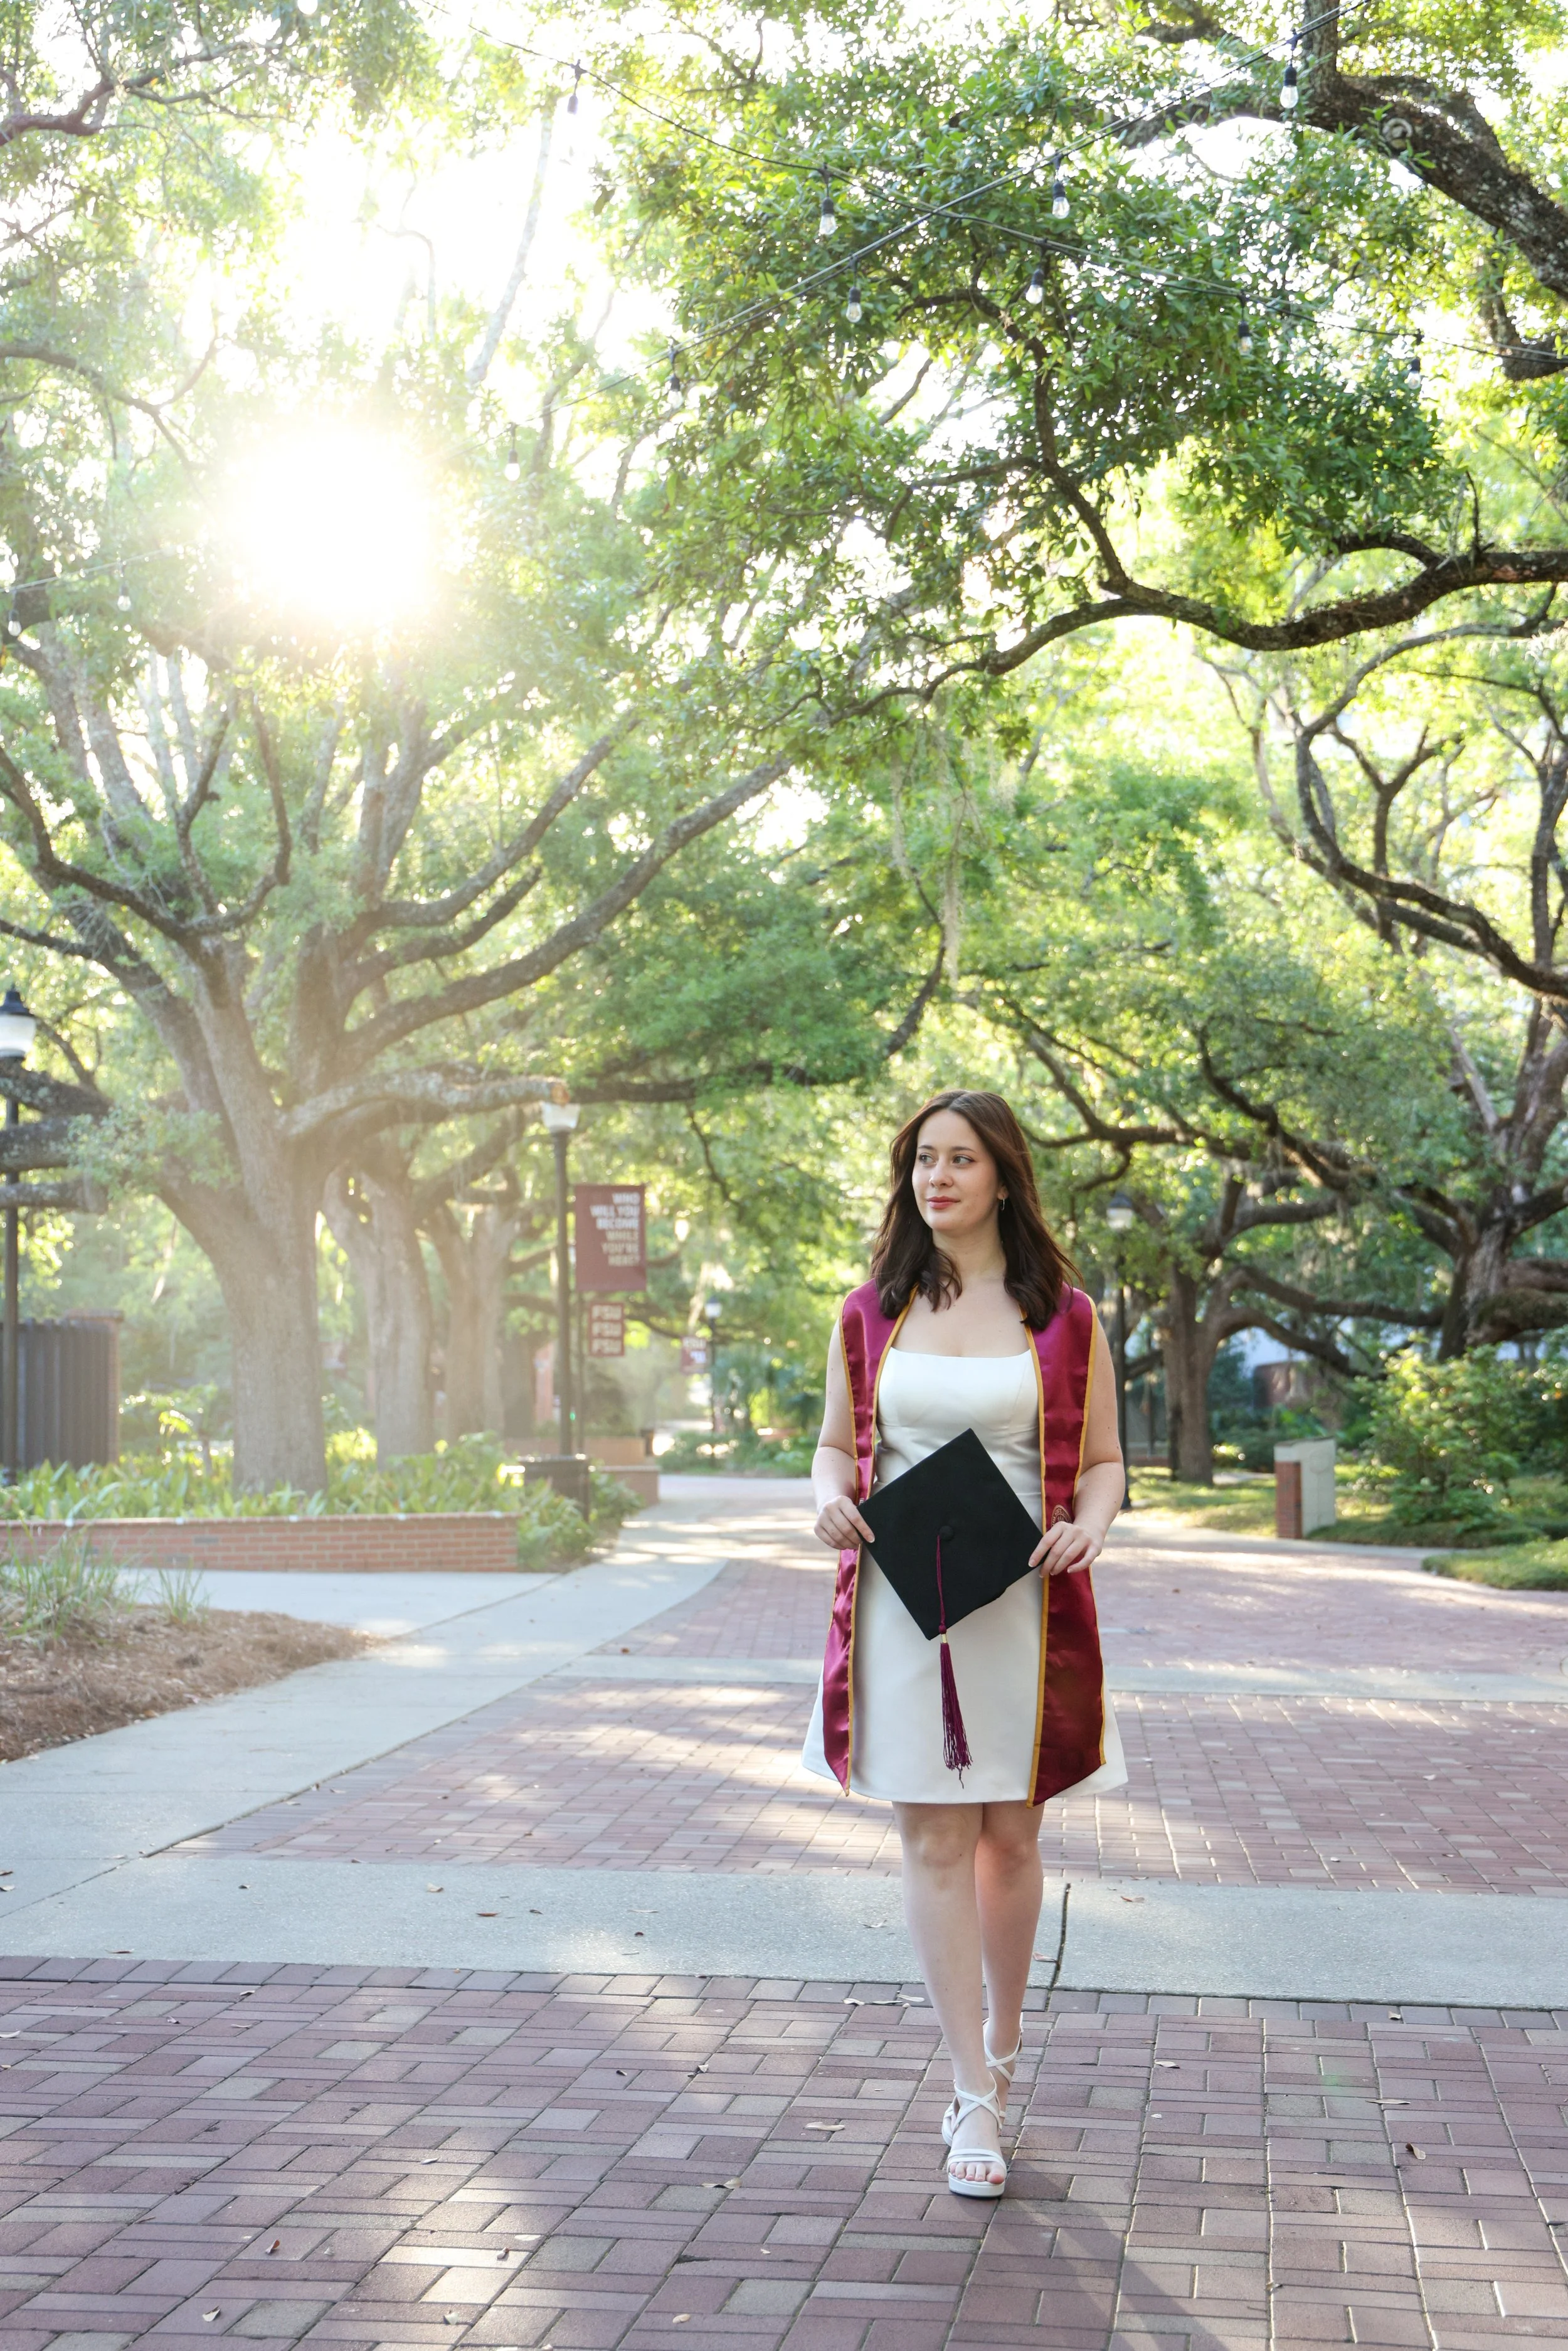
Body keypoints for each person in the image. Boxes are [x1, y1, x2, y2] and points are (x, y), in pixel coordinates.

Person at [801, 1088, 1126, 2199]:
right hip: (904, 1602)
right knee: (936, 1840)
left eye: (961, 1160)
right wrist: (830, 1500)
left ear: (1002, 1177)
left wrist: (1091, 1525)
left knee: (1012, 1839)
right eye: (924, 1161)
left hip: (1024, 1604)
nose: (937, 1179)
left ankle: (1005, 2046)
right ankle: (971, 2097)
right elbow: (838, 1449)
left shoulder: (1066, 1316)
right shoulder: (869, 1312)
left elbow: (1105, 1465)